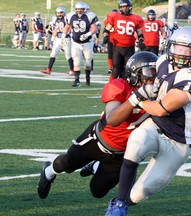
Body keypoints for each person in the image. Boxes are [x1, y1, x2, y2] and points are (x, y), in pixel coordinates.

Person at [105, 26, 191, 216]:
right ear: (170, 47)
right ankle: (118, 205)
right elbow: (154, 88)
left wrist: (137, 99)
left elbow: (161, 109)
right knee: (137, 141)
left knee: (140, 193)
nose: (181, 54)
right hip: (156, 126)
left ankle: (125, 201)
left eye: (187, 50)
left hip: (179, 140)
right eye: (178, 48)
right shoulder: (162, 61)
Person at [37, 51, 158, 200]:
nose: (152, 79)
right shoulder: (119, 86)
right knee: (68, 164)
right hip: (98, 141)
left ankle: (95, 166)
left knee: (98, 191)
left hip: (121, 154)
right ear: (134, 73)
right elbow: (112, 119)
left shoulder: (158, 95)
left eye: (155, 73)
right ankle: (48, 171)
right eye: (148, 73)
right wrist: (136, 98)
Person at [102, 0, 144, 79]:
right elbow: (106, 30)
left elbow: (140, 34)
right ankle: (111, 86)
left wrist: (141, 40)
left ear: (130, 7)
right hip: (117, 47)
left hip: (129, 48)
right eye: (122, 7)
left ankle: (124, 87)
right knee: (115, 70)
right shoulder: (115, 16)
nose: (124, 8)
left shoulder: (136, 18)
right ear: (120, 7)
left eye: (126, 6)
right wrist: (106, 36)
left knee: (127, 70)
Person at [61, 1, 98, 87]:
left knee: (88, 61)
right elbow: (67, 27)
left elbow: (94, 28)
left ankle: (87, 77)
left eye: (81, 9)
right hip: (76, 42)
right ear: (75, 9)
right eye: (78, 9)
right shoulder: (70, 16)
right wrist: (63, 37)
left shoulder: (89, 16)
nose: (79, 11)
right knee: (76, 61)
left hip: (87, 43)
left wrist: (87, 34)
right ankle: (76, 80)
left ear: (85, 10)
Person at [40, 7, 74, 76]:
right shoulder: (55, 19)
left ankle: (72, 70)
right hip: (58, 38)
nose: (59, 14)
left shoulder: (66, 19)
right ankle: (49, 69)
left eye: (61, 13)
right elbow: (55, 30)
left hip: (66, 38)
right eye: (58, 13)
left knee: (68, 55)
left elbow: (69, 28)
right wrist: (52, 40)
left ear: (64, 12)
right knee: (53, 53)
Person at [103, 9, 118, 75]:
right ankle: (110, 68)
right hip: (111, 40)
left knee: (117, 55)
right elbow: (105, 30)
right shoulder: (108, 21)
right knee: (110, 54)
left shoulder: (120, 21)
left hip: (118, 40)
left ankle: (117, 67)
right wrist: (105, 36)